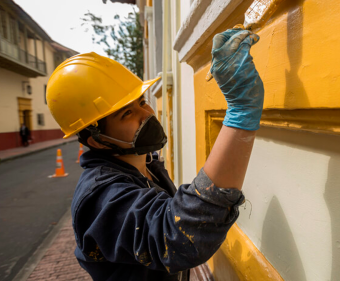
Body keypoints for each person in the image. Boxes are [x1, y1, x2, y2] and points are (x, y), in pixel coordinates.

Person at [46, 27, 263, 281]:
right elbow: (180, 237)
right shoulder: (100, 197)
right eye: (127, 114)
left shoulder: (145, 164)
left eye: (141, 102)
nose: (146, 114)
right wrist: (241, 112)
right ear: (99, 141)